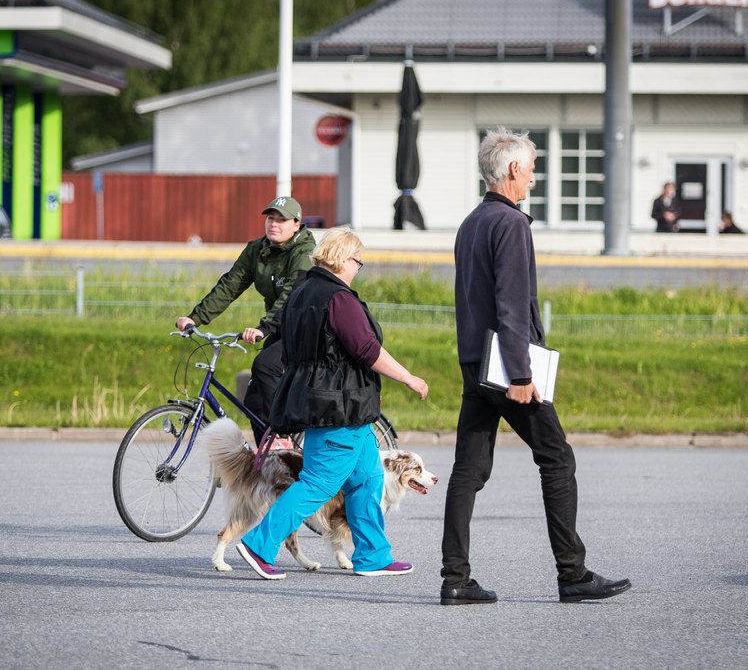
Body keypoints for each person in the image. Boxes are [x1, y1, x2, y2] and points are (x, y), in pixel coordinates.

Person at [440, 128, 631, 605]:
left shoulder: (470, 223)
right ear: (513, 170)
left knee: (468, 470)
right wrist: (522, 375)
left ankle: (455, 578)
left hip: (474, 362)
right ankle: (572, 573)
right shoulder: (511, 223)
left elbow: (472, 302)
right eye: (530, 169)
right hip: (507, 367)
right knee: (557, 457)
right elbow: (511, 305)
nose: (533, 178)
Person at [236, 227, 429, 580]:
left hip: (334, 406)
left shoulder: (301, 291)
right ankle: (258, 545)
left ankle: (373, 556)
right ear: (342, 259)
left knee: (368, 479)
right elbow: (367, 350)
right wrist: (408, 377)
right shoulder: (338, 299)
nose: (358, 268)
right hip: (340, 407)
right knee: (318, 485)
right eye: (358, 261)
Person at [176, 196, 315, 444]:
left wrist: (263, 328)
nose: (274, 224)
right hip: (280, 327)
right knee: (253, 401)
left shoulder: (303, 253)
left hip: (306, 328)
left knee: (265, 366)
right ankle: (269, 458)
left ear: (296, 225)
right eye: (270, 218)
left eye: (281, 220)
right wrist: (195, 318)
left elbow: (291, 297)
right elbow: (230, 286)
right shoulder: (257, 250)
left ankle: (283, 437)